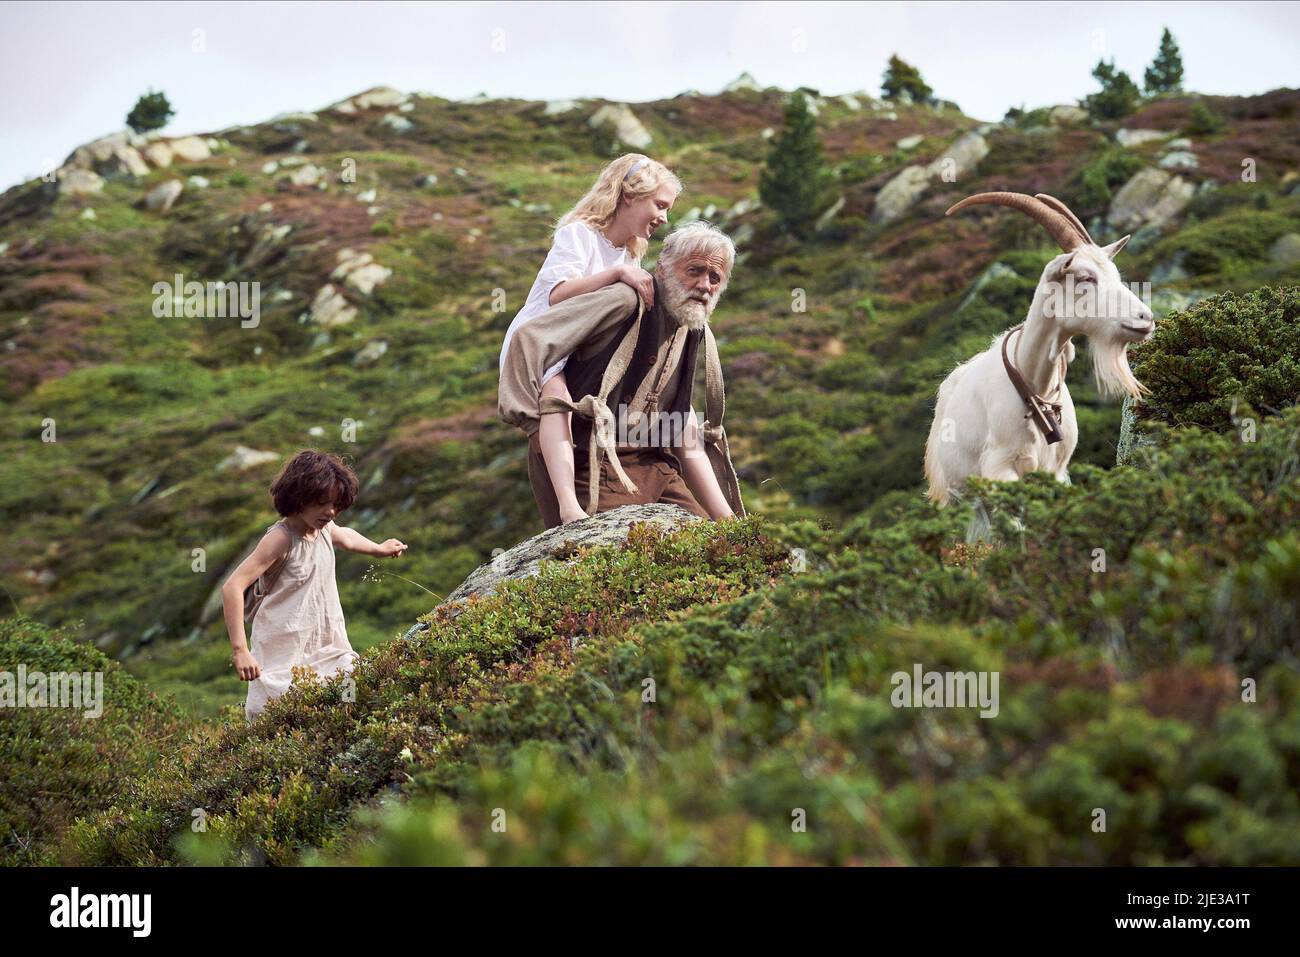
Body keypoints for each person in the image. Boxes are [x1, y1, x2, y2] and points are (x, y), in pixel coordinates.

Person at [499, 221, 746, 527]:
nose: (705, 285)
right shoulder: (625, 301)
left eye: (715, 278)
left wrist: (730, 522)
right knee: (619, 561)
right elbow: (528, 338)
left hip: (656, 468)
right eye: (694, 270)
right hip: (591, 464)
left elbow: (682, 427)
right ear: (664, 268)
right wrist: (533, 418)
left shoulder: (692, 327)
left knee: (713, 549)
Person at [498, 153, 681, 524]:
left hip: (577, 346)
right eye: (659, 205)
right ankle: (569, 506)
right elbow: (557, 294)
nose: (664, 217)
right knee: (556, 400)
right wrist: (616, 275)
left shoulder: (629, 256)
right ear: (630, 196)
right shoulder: (578, 233)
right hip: (545, 339)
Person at [219, 450, 408, 722]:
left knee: (353, 691)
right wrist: (240, 651)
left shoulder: (324, 529)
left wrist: (378, 549)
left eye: (335, 504)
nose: (330, 512)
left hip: (325, 645)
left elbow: (348, 537)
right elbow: (233, 587)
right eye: (321, 503)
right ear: (299, 497)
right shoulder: (281, 539)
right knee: (274, 721)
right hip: (280, 655)